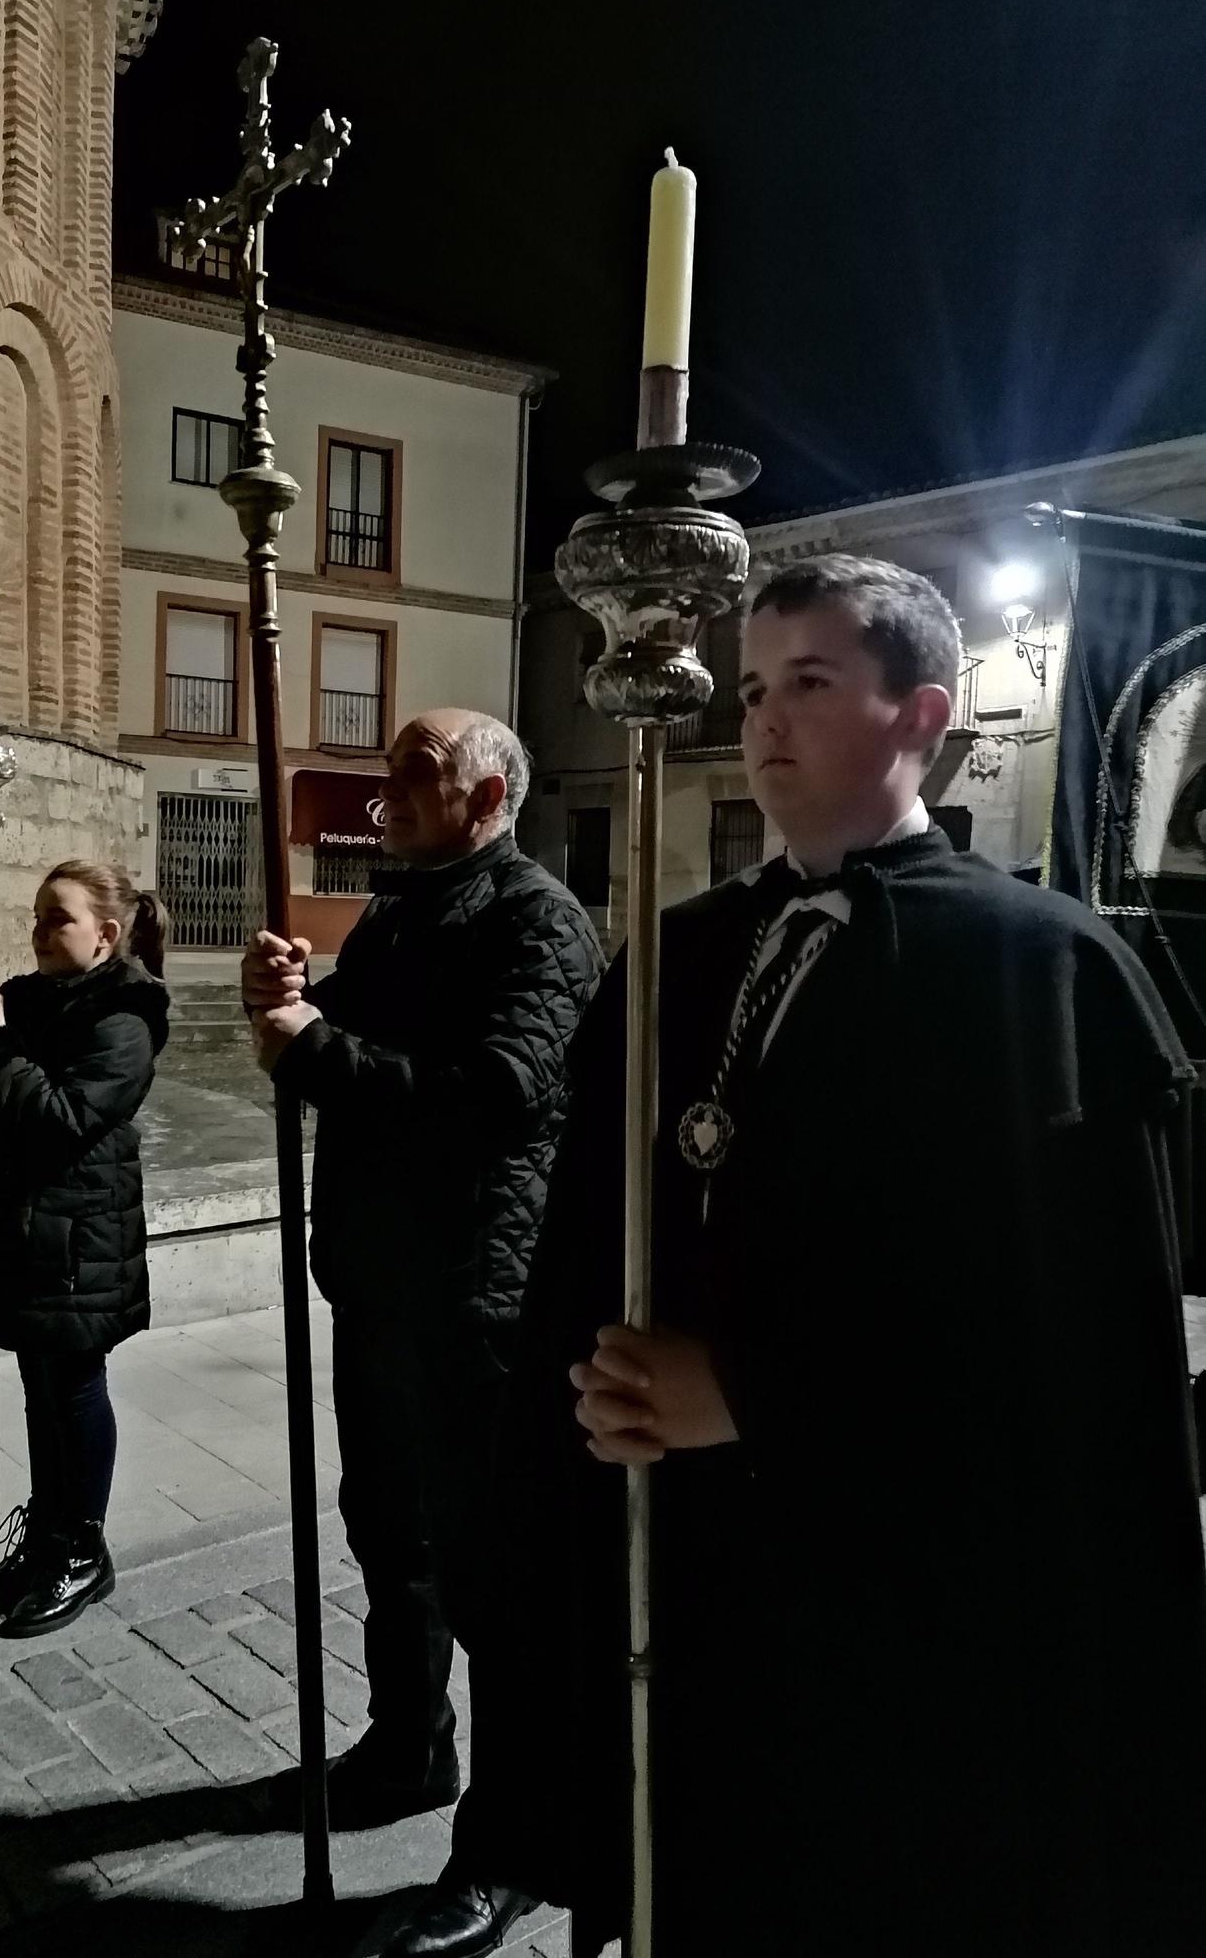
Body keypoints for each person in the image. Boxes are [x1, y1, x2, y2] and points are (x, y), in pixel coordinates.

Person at [487, 556, 1206, 1955]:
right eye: (753, 688)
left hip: (905, 1612)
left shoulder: (1039, 974)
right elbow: (588, 1245)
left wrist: (754, 1393)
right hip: (694, 1576)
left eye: (810, 683)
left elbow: (1057, 1358)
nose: (764, 720)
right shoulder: (676, 956)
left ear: (921, 714)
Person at [241, 708, 603, 1958]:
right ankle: (409, 1748)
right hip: (381, 1289)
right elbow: (335, 1026)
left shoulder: (537, 921)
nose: (387, 789)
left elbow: (495, 1093)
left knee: (492, 1578)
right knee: (389, 1536)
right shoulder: (403, 909)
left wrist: (315, 1046)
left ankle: (510, 1847)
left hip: (477, 1301)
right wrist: (287, 998)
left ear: (488, 793)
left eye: (417, 771)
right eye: (391, 767)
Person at [0, 859, 170, 1639]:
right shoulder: (28, 1000)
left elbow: (64, 1119)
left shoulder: (124, 1020)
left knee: (73, 1388)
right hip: (26, 1233)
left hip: (77, 1239)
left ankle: (82, 1549)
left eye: (55, 918)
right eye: (34, 916)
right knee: (40, 1388)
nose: (37, 932)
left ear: (107, 934)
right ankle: (50, 1534)